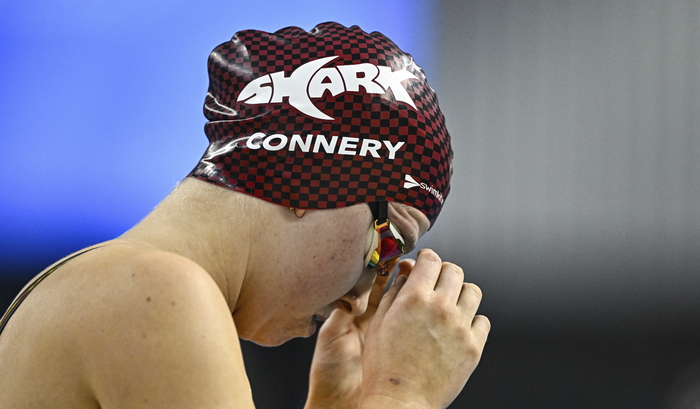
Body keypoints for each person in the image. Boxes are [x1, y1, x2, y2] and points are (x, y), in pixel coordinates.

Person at [0, 22, 490, 409]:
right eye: (387, 248)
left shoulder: (109, 283)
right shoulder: (155, 293)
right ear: (311, 177)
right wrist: (403, 395)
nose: (361, 302)